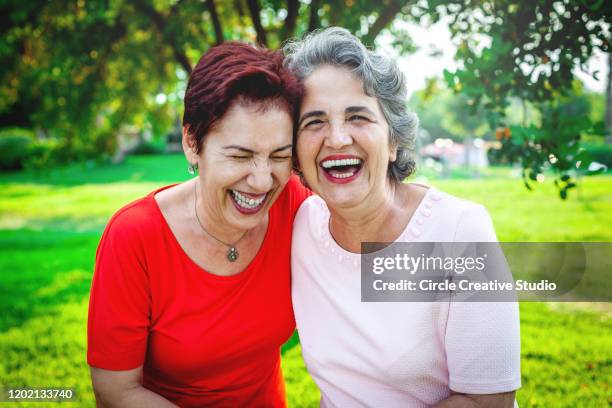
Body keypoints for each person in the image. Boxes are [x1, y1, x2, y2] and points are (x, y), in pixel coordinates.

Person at [285, 27, 521, 407]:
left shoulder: (461, 230)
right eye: (314, 122)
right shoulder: (299, 227)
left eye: (357, 116)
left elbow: (488, 401)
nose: (337, 138)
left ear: (393, 140)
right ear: (295, 153)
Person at [87, 41, 309, 407]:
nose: (262, 181)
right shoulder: (134, 237)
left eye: (279, 157)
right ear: (192, 142)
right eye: (240, 155)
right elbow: (115, 390)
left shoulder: (296, 203)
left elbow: (380, 251)